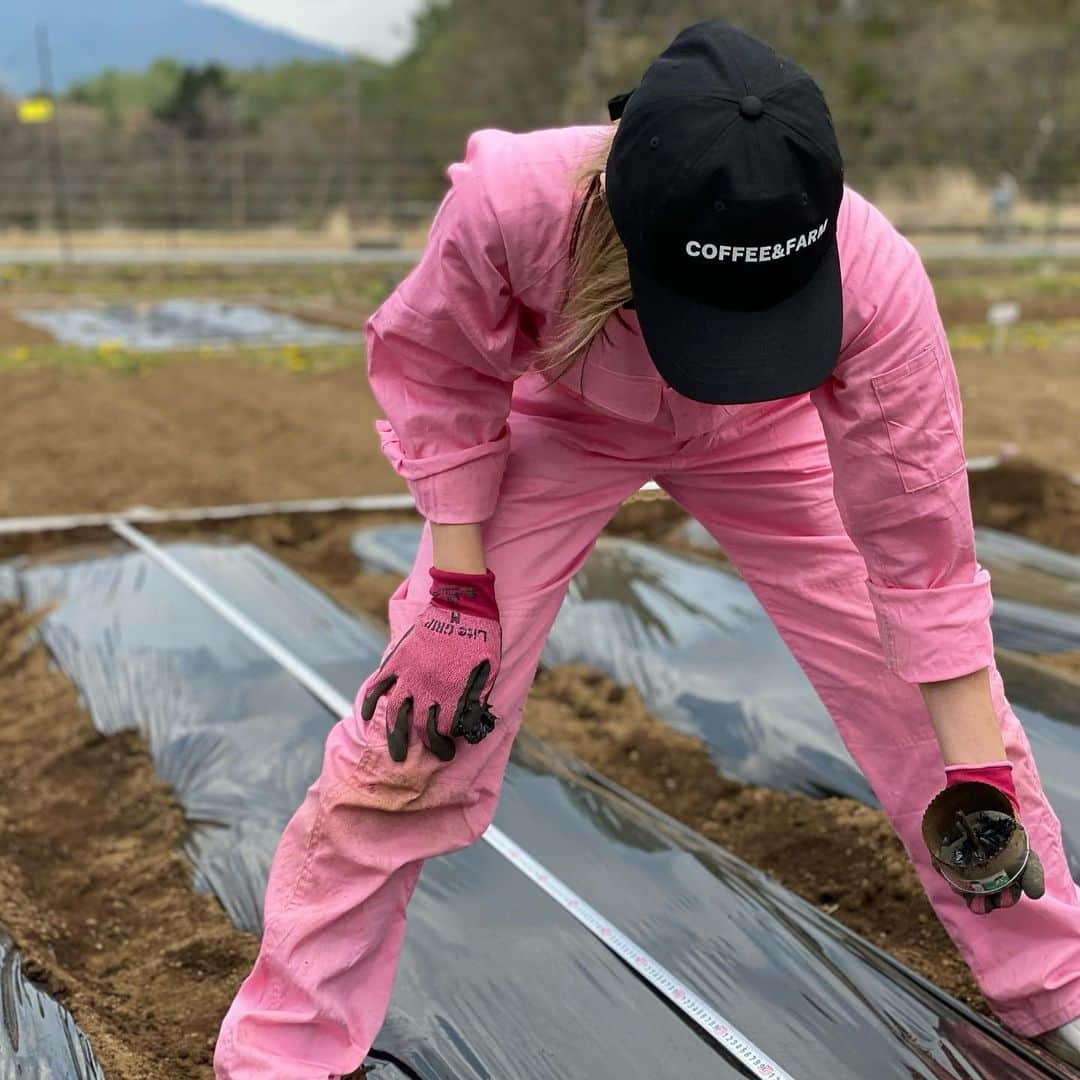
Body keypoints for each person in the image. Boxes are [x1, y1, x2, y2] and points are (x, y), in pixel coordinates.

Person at [215, 21, 1080, 1077]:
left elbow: (921, 550)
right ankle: (285, 1051)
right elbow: (439, 378)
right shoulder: (517, 206)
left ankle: (1055, 986)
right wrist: (454, 594)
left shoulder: (876, 278)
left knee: (940, 718)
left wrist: (976, 773)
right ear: (627, 232)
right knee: (421, 730)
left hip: (768, 432)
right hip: (565, 410)